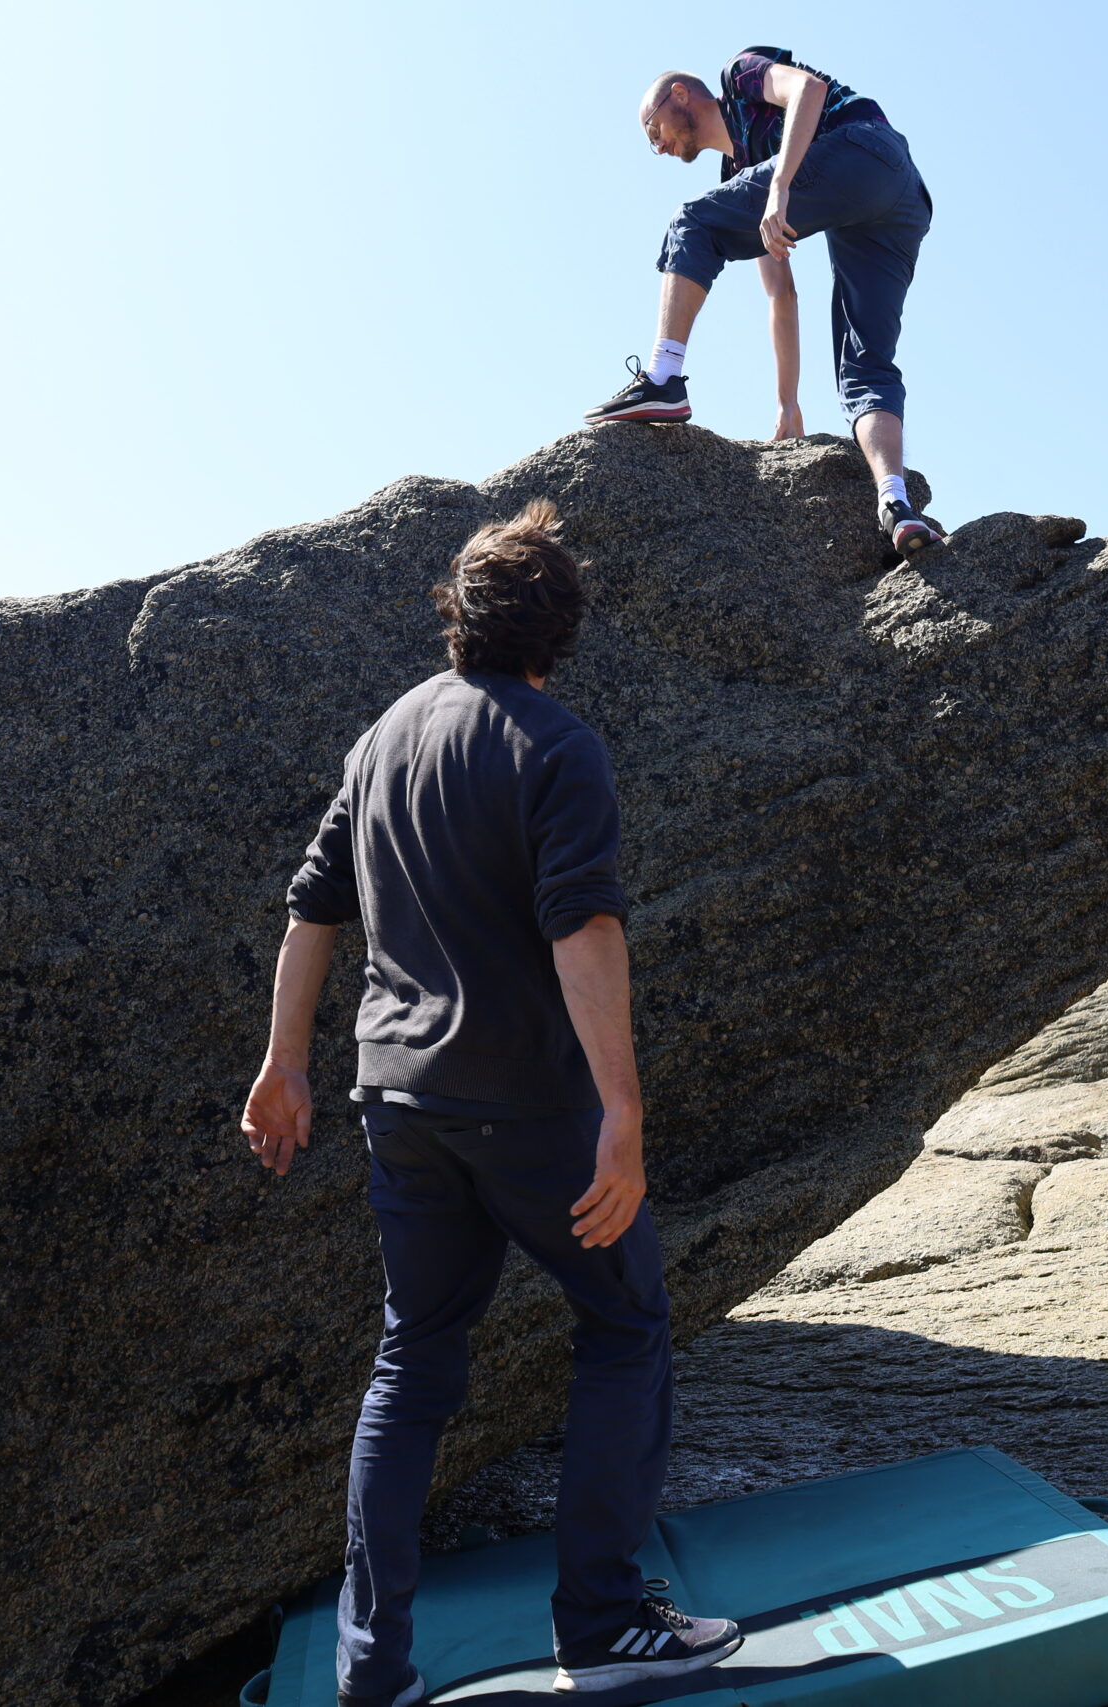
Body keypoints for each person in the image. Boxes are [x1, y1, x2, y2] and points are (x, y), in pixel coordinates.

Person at [239, 500, 745, 1703]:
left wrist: (284, 1063)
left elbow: (311, 910)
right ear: (558, 630)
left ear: (454, 617)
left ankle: (373, 1669)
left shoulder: (383, 737)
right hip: (527, 1109)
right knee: (624, 1326)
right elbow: (583, 929)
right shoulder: (556, 746)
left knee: (413, 1359)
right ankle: (603, 1626)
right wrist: (621, 1114)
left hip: (394, 1099)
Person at [581, 46, 944, 561]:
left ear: (679, 95)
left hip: (863, 146)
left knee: (693, 222)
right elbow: (781, 293)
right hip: (898, 202)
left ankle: (663, 376)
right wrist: (787, 405)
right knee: (864, 367)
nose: (657, 147)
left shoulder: (741, 78)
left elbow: (808, 90)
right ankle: (896, 503)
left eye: (653, 130)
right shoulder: (738, 175)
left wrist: (779, 188)